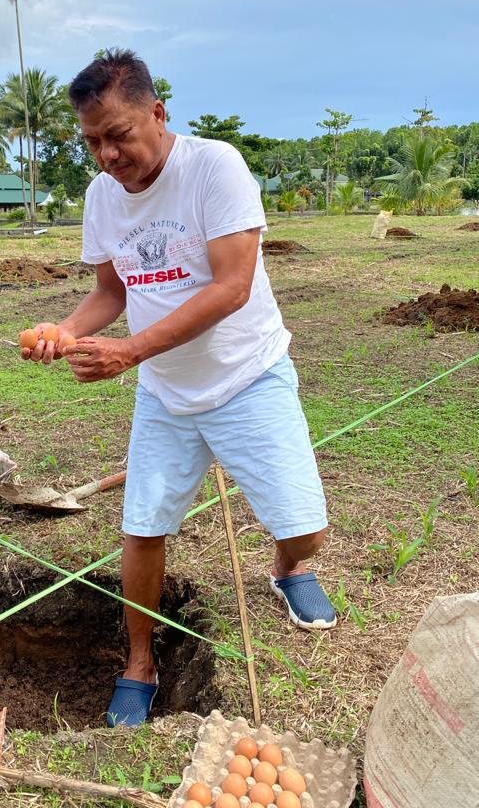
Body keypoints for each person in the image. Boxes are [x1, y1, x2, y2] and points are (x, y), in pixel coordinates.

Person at [22, 49, 336, 727]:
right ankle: (139, 663)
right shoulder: (102, 197)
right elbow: (111, 290)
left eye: (119, 135)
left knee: (306, 528)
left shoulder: (214, 167)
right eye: (92, 142)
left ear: (158, 114)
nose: (107, 155)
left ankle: (286, 570)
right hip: (165, 392)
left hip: (248, 376)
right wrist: (65, 329)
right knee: (143, 526)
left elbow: (232, 287)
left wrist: (130, 350)